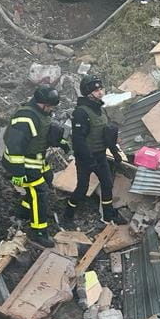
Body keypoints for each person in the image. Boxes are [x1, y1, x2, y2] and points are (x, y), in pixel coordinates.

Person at [2, 86, 69, 248]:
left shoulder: (42, 113)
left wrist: (61, 142)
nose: (52, 109)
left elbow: (42, 135)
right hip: (21, 162)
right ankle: (39, 231)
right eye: (50, 106)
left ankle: (24, 210)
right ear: (41, 103)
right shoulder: (25, 118)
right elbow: (14, 145)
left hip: (36, 159)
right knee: (39, 191)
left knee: (48, 178)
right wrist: (18, 172)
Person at [62, 76, 128, 228]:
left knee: (107, 184)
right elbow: (78, 141)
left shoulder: (100, 110)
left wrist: (115, 153)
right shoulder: (81, 113)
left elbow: (107, 135)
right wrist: (89, 161)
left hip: (100, 155)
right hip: (85, 158)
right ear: (88, 93)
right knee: (82, 188)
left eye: (100, 89)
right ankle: (68, 216)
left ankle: (108, 215)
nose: (100, 92)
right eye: (96, 90)